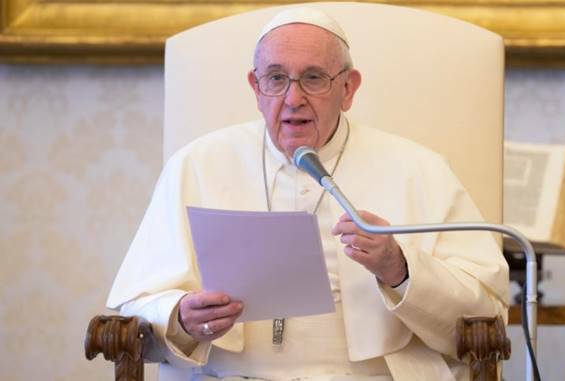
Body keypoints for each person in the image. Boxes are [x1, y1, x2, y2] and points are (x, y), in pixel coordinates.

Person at [107, 6, 508, 381]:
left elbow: (485, 314)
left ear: (348, 89)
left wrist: (400, 269)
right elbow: (137, 307)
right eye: (276, 78)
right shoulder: (196, 164)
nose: (293, 98)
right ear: (256, 86)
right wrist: (179, 318)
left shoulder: (419, 169)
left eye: (313, 78)